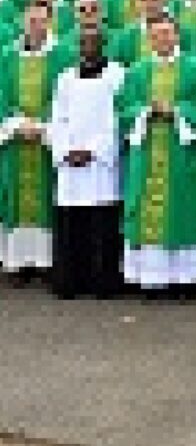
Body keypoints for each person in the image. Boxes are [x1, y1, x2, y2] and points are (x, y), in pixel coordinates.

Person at [116, 11, 196, 293]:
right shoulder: (137, 71)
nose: (162, 38)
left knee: (184, 210)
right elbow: (123, 108)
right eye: (156, 34)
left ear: (177, 35)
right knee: (148, 210)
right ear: (149, 38)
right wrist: (145, 112)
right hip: (148, 149)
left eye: (167, 33)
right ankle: (151, 277)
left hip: (182, 152)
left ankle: (187, 278)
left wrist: (177, 111)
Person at [49, 28, 123, 299]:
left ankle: (102, 282)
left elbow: (116, 119)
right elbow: (58, 117)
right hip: (71, 164)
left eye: (93, 42)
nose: (87, 47)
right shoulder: (66, 78)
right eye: (82, 43)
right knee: (71, 224)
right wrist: (67, 150)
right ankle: (70, 282)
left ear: (103, 44)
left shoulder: (116, 75)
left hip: (100, 164)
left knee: (101, 224)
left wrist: (93, 151)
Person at [0, 0, 72, 274]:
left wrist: (44, 127)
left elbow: (66, 97)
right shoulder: (7, 56)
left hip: (47, 138)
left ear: (50, 21)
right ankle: (18, 262)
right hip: (15, 138)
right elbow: (2, 95)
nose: (35, 25)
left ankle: (46, 261)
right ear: (22, 21)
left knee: (47, 196)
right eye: (31, 20)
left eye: (41, 20)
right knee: (14, 197)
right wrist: (17, 124)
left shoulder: (63, 54)